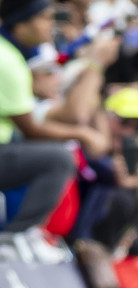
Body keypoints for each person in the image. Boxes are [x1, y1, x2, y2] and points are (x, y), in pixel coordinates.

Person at [0, 0, 105, 232]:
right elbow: (32, 130)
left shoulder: (10, 54)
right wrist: (83, 134)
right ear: (20, 23)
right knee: (58, 158)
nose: (51, 25)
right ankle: (17, 234)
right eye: (44, 18)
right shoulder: (8, 61)